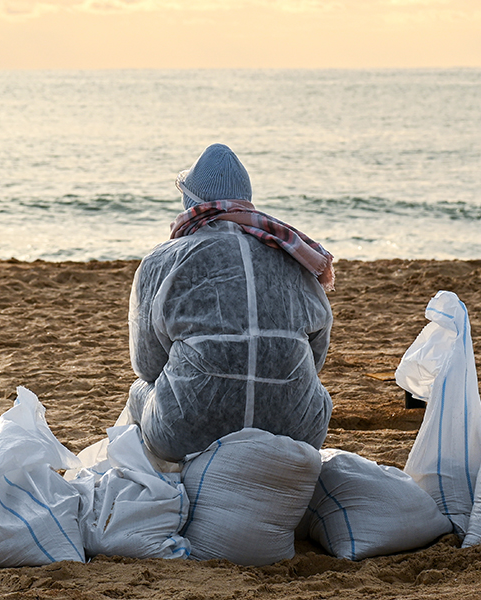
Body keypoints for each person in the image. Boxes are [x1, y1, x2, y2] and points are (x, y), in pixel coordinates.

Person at [122, 143, 335, 463]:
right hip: (298, 430)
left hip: (186, 434)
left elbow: (148, 366)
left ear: (190, 202)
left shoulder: (162, 260)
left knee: (140, 390)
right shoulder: (290, 253)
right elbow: (316, 354)